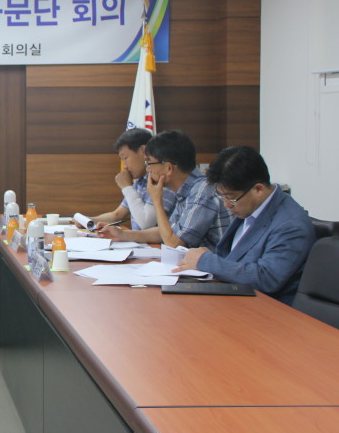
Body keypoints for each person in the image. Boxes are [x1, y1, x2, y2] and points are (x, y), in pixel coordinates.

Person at [176, 146, 316, 304]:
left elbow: (266, 278)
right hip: (234, 297)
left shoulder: (291, 225)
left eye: (231, 197)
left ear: (258, 190)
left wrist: (206, 261)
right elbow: (234, 258)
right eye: (222, 196)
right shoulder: (251, 208)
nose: (227, 204)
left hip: (266, 308)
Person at [97, 130, 230, 249]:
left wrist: (157, 201)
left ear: (168, 168)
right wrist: (122, 234)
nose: (148, 169)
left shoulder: (201, 191)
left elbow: (174, 244)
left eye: (149, 163)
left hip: (216, 268)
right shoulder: (186, 189)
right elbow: (166, 231)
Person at [90, 128, 176, 231]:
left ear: (143, 151)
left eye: (125, 158)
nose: (124, 166)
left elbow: (146, 223)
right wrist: (88, 220)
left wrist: (127, 187)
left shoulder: (161, 178)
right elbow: (117, 215)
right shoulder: (139, 181)